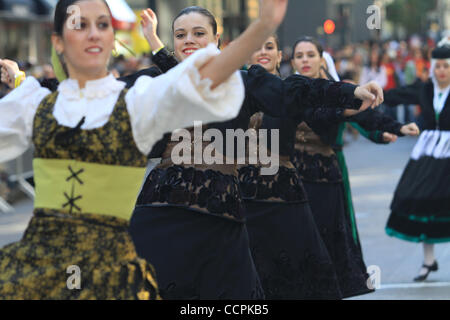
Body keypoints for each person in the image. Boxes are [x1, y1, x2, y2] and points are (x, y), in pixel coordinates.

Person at [0, 0, 288, 299]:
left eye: (102, 25)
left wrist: (262, 27)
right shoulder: (39, 101)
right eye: (80, 26)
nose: (93, 35)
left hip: (195, 229)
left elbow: (203, 78)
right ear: (58, 41)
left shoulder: (149, 95)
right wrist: (22, 80)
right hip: (67, 252)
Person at [131, 7, 384, 299]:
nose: (188, 40)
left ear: (217, 40)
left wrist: (350, 92)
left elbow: (293, 92)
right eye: (180, 35)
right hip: (160, 211)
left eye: (198, 33)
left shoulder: (243, 82)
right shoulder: (158, 80)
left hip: (220, 216)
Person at [290, 36, 420, 298]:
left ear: (321, 58)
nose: (305, 60)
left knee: (330, 239)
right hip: (294, 176)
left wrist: (391, 129)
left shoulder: (337, 89)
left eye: (310, 54)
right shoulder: (287, 90)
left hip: (328, 172)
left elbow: (363, 114)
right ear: (292, 61)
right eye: (299, 55)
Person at [384, 42, 450, 282]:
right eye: (438, 66)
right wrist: (366, 93)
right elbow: (398, 95)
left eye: (446, 66)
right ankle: (428, 261)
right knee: (424, 201)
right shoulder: (426, 89)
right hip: (428, 153)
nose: (442, 70)